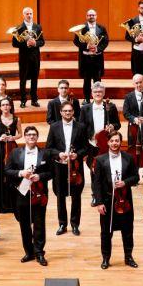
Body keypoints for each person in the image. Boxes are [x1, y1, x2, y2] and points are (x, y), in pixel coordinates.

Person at [90, 130, 139, 268]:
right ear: (108, 142)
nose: (114, 143)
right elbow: (97, 183)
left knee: (128, 231)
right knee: (106, 232)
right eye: (112, 141)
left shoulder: (128, 158)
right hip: (107, 201)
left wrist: (125, 182)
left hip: (125, 202)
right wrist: (99, 203)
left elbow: (136, 177)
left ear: (120, 142)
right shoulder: (100, 160)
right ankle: (106, 258)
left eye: (117, 141)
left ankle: (128, 257)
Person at [5, 125, 52, 265]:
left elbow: (51, 172)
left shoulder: (45, 153)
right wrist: (20, 173)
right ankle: (29, 252)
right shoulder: (15, 153)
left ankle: (39, 253)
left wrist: (40, 176)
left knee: (39, 223)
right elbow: (7, 170)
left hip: (39, 194)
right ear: (25, 137)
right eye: (29, 134)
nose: (31, 137)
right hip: (21, 192)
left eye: (34, 134)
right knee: (24, 224)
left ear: (37, 137)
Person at [46, 101, 92, 236]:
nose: (67, 113)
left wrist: (77, 155)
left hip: (76, 168)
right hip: (59, 166)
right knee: (60, 196)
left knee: (76, 196)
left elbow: (86, 148)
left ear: (73, 112)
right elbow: (49, 148)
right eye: (65, 111)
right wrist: (58, 154)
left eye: (70, 111)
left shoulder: (81, 127)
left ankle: (75, 224)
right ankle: (62, 224)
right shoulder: (54, 127)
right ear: (61, 112)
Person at [0, 98, 21, 214]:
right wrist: (0, 138)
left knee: (13, 174)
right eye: (3, 105)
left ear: (10, 106)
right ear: (0, 107)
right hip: (0, 148)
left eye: (7, 105)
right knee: (0, 173)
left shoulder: (17, 119)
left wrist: (13, 138)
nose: (6, 107)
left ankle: (13, 203)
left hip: (12, 148)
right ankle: (1, 204)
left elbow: (20, 134)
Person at [11, 6, 45, 106]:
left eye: (31, 13)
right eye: (27, 14)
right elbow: (14, 44)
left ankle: (34, 100)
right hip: (24, 57)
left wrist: (35, 43)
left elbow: (42, 41)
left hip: (35, 57)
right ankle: (23, 100)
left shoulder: (38, 27)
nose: (29, 15)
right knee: (23, 79)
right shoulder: (19, 28)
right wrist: (25, 44)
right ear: (23, 15)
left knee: (35, 78)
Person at [73, 9, 109, 101]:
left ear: (96, 16)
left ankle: (98, 99)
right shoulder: (82, 28)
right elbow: (76, 41)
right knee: (86, 81)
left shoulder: (102, 28)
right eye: (89, 15)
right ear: (86, 16)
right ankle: (87, 99)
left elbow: (105, 41)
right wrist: (86, 46)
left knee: (97, 81)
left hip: (97, 58)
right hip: (86, 59)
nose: (91, 17)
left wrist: (98, 48)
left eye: (93, 15)